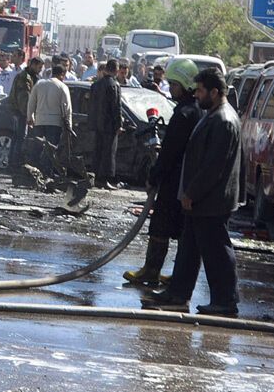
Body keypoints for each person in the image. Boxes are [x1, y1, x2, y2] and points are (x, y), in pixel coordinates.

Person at [142, 68, 242, 318]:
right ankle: (177, 294)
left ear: (214, 92)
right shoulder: (213, 115)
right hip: (201, 199)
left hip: (211, 200)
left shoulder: (224, 120)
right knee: (188, 250)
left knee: (217, 251)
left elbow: (214, 166)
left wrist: (192, 192)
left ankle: (225, 301)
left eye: (200, 90)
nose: (196, 95)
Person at [125, 58, 202, 285]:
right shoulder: (196, 111)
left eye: (175, 84)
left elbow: (170, 151)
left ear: (185, 85)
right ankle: (177, 276)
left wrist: (154, 176)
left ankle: (152, 271)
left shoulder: (184, 113)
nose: (172, 89)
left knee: (161, 225)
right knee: (181, 229)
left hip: (173, 180)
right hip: (185, 180)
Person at [90, 59, 123, 190]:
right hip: (109, 125)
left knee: (97, 150)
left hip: (97, 123)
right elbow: (116, 107)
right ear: (116, 70)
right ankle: (104, 180)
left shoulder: (96, 85)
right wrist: (119, 124)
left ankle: (96, 177)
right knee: (108, 152)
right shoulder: (114, 85)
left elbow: (91, 105)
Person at [27, 64, 72, 157]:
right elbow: (67, 108)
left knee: (37, 149)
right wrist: (69, 126)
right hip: (54, 123)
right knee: (51, 151)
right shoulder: (62, 87)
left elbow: (31, 103)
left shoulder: (39, 84)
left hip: (39, 121)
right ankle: (47, 166)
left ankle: (35, 165)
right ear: (62, 74)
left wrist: (30, 117)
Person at [6, 56, 42, 169]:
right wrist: (28, 115)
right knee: (20, 137)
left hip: (21, 111)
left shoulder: (32, 77)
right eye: (39, 67)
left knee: (17, 137)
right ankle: (14, 163)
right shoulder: (24, 78)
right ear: (33, 65)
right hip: (20, 112)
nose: (40, 70)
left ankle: (13, 161)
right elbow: (24, 98)